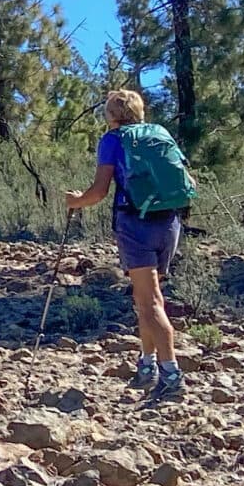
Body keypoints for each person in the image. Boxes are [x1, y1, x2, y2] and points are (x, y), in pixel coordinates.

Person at [64, 89, 188, 403]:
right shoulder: (158, 133)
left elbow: (99, 191)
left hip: (135, 223)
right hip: (169, 222)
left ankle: (171, 374)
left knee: (150, 304)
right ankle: (147, 365)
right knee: (147, 296)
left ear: (112, 115)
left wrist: (75, 202)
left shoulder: (113, 140)